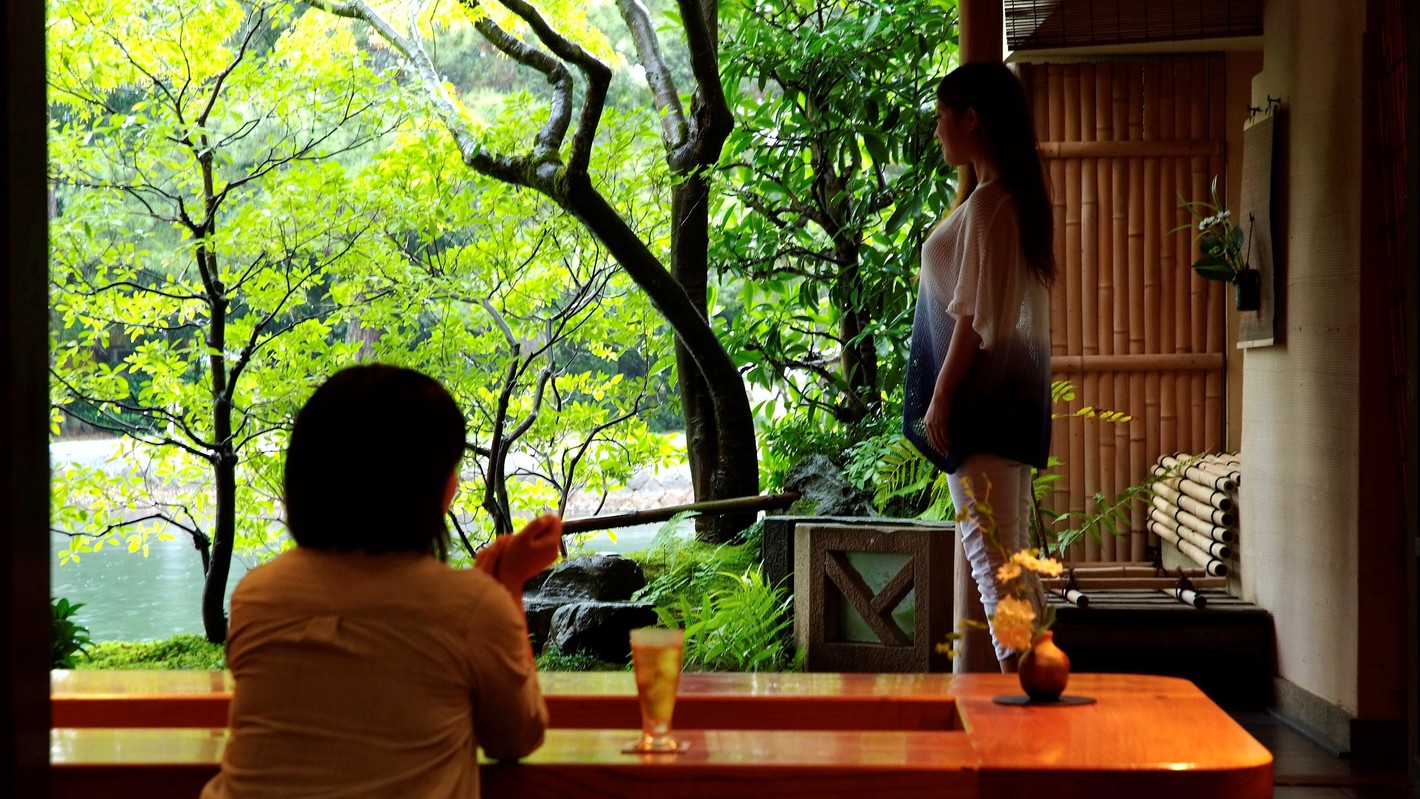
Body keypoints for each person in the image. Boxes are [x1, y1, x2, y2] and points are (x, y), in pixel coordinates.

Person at [201, 364, 561, 798]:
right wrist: (505, 587)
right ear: (433, 489)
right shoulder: (471, 606)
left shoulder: (257, 595)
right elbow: (515, 737)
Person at [903, 61, 1056, 673]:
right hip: (1004, 417)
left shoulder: (992, 206)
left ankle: (1028, 702)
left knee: (997, 573)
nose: (937, 131)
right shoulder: (1001, 199)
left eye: (943, 117)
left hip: (980, 413)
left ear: (972, 119)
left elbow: (974, 319)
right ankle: (1046, 694)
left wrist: (940, 397)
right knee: (1011, 566)